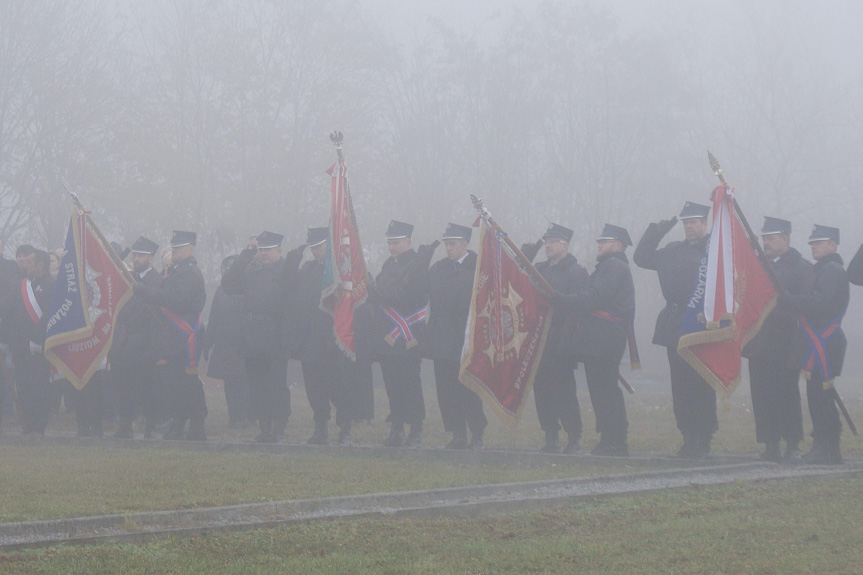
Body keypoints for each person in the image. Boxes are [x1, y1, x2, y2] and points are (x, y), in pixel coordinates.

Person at [633, 202, 716, 458]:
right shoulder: (673, 250)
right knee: (681, 385)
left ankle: (704, 437)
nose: (689, 227)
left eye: (693, 222)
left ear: (705, 223)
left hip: (702, 325)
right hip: (676, 322)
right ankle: (688, 435)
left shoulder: (715, 252)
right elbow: (642, 258)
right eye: (685, 223)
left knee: (701, 384)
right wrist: (656, 232)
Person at [553, 225, 635, 456]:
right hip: (600, 336)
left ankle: (614, 440)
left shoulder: (613, 267)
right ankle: (611, 437)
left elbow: (594, 298)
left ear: (618, 245)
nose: (599, 244)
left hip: (604, 336)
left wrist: (561, 299)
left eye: (605, 241)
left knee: (604, 390)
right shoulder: (609, 267)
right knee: (603, 389)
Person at [741, 217, 813, 462]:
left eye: (771, 238)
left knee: (787, 393)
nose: (767, 243)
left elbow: (806, 302)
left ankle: (793, 443)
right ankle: (770, 443)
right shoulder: (757, 265)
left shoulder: (801, 267)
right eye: (764, 239)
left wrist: (785, 299)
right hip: (760, 338)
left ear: (786, 239)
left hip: (786, 338)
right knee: (762, 394)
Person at [221, 231, 304, 443]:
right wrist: (245, 256)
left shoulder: (287, 270)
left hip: (275, 335)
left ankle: (279, 426)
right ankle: (264, 426)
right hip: (252, 335)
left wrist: (288, 338)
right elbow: (228, 286)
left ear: (279, 251)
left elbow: (293, 306)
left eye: (268, 251)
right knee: (257, 385)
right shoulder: (251, 270)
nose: (264, 255)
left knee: (275, 384)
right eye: (261, 250)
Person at [780, 225, 849, 465]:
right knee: (820, 396)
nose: (814, 246)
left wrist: (790, 298)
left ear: (832, 245)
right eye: (812, 243)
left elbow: (819, 304)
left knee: (820, 397)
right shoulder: (824, 270)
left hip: (825, 342)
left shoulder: (831, 270)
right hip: (819, 341)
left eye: (819, 243)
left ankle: (824, 447)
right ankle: (828, 447)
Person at [363, 220, 433, 447]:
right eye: (389, 243)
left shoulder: (417, 264)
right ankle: (397, 428)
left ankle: (416, 428)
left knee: (409, 383)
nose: (392, 247)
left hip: (408, 336)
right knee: (392, 384)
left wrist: (378, 293)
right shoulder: (389, 264)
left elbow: (407, 294)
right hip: (387, 336)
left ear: (408, 242)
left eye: (396, 243)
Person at [134, 231, 208, 441]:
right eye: (173, 247)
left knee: (188, 382)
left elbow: (175, 299)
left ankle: (196, 423)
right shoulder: (176, 271)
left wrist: (144, 291)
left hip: (185, 333)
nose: (173, 250)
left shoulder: (190, 273)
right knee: (175, 382)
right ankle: (179, 421)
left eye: (178, 247)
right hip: (173, 334)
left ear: (190, 249)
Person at [286, 227, 355, 446]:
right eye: (312, 248)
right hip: (309, 339)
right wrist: (292, 261)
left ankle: (345, 429)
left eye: (319, 247)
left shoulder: (338, 271)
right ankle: (321, 429)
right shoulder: (307, 269)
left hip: (331, 338)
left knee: (338, 387)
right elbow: (289, 288)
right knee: (314, 389)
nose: (315, 251)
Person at [424, 223, 487, 450]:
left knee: (468, 389)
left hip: (466, 339)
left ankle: (477, 432)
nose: (448, 248)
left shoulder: (479, 268)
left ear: (464, 244)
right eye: (446, 244)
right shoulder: (438, 269)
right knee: (446, 391)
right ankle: (457, 433)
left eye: (452, 244)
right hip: (442, 338)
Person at [529, 223, 589, 453]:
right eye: (546, 241)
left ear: (564, 244)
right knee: (542, 390)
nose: (548, 245)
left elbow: (577, 306)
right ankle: (550, 434)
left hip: (562, 339)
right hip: (539, 339)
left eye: (552, 241)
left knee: (564, 391)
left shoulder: (576, 272)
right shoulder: (540, 271)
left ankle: (573, 435)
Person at [109, 236, 164, 439]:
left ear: (151, 258)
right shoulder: (126, 277)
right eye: (135, 255)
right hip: (123, 340)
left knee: (145, 387)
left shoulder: (157, 281)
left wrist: (153, 347)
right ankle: (124, 425)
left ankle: (150, 425)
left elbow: (156, 315)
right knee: (122, 386)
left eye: (141, 256)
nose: (137, 259)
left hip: (144, 340)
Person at [6, 246, 54, 434]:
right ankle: (27, 422)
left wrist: (38, 339)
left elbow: (49, 314)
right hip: (19, 345)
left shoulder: (51, 284)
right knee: (23, 386)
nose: (26, 265)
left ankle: (39, 424)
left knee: (38, 386)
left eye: (31, 262)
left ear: (40, 264)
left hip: (38, 346)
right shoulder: (22, 283)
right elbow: (10, 311)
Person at [204, 255, 250, 429]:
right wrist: (208, 343)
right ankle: (233, 416)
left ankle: (245, 416)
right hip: (224, 344)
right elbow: (214, 317)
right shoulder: (220, 291)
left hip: (243, 344)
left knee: (243, 382)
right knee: (230, 383)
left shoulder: (247, 289)